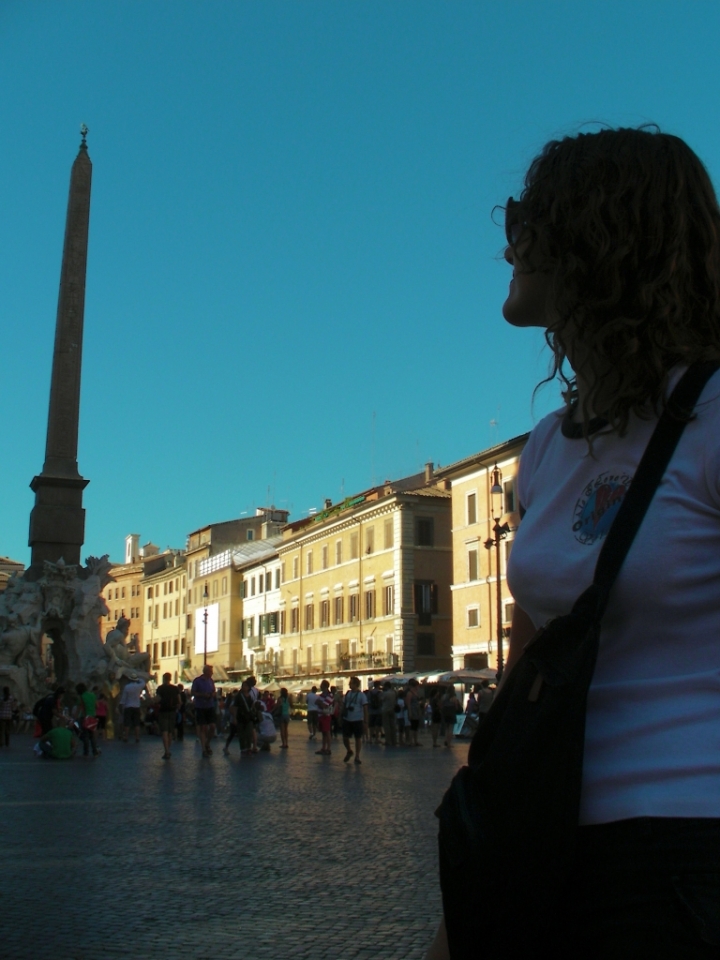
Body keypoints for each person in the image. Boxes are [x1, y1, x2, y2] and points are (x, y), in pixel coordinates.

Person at [427, 126, 720, 960]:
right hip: (547, 843)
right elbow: (531, 660)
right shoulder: (550, 447)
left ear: (602, 235)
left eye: (529, 217)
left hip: (686, 854)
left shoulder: (713, 417)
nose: (508, 241)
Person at [191, 664, 216, 758]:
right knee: (203, 728)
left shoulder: (211, 681)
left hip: (210, 706)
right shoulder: (197, 681)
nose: (212, 673)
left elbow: (214, 691)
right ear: (206, 671)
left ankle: (207, 743)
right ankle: (204, 749)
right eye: (211, 671)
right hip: (200, 706)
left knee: (213, 727)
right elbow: (193, 692)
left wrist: (212, 694)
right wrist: (202, 695)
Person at [341, 676, 368, 764]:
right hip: (347, 718)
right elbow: (343, 705)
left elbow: (365, 708)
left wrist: (365, 721)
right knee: (345, 737)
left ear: (356, 684)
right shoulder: (347, 694)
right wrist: (340, 716)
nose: (349, 684)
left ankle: (357, 756)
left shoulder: (361, 695)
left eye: (351, 683)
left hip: (357, 719)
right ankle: (349, 750)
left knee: (358, 738)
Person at [155, 672, 179, 760]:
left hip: (163, 711)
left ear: (163, 678)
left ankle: (167, 751)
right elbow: (179, 700)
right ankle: (168, 750)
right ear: (170, 678)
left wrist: (152, 701)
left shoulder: (160, 688)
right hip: (172, 711)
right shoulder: (175, 688)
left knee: (164, 731)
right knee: (170, 732)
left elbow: (157, 699)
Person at [119, 672, 146, 743]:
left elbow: (124, 698)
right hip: (136, 706)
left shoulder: (127, 687)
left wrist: (121, 705)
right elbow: (143, 682)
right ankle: (137, 737)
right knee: (137, 723)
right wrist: (138, 678)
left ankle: (126, 737)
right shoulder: (138, 686)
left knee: (127, 723)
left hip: (128, 706)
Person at [76, 682, 100, 758]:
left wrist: (75, 718)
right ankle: (95, 752)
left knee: (85, 735)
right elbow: (97, 706)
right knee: (92, 735)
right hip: (92, 717)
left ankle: (86, 752)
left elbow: (80, 708)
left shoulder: (81, 697)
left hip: (85, 717)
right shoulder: (93, 695)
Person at [314, 679, 334, 756]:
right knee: (323, 733)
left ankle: (328, 749)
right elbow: (317, 702)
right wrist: (320, 703)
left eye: (321, 685)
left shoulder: (329, 695)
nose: (320, 686)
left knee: (327, 732)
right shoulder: (322, 694)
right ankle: (323, 748)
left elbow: (324, 706)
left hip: (326, 715)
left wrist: (320, 703)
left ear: (325, 686)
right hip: (321, 716)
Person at [404, 678, 423, 747]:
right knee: (413, 726)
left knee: (416, 726)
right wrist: (410, 712)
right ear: (415, 686)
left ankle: (415, 740)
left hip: (417, 710)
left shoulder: (416, 693)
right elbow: (408, 703)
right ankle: (410, 741)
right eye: (417, 686)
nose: (418, 687)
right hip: (413, 710)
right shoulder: (410, 693)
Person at [380, 681, 397, 747]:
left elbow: (381, 699)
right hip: (392, 709)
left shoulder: (385, 693)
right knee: (393, 725)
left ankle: (388, 741)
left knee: (386, 726)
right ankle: (394, 740)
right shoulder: (394, 693)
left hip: (385, 710)